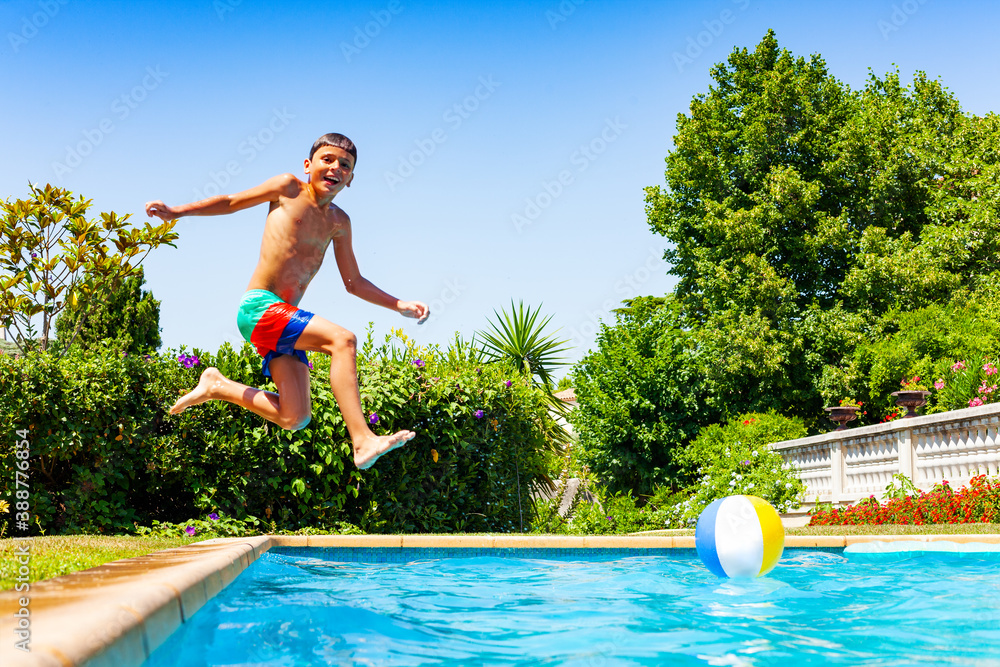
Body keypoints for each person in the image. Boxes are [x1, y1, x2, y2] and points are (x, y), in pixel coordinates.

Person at [145, 133, 428, 469]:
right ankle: (362, 439)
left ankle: (217, 385)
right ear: (308, 165)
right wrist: (177, 211)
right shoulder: (288, 188)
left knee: (295, 417)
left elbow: (354, 283)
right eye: (328, 159)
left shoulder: (340, 223)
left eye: (345, 165)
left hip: (284, 322)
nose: (335, 167)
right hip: (259, 307)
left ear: (350, 179)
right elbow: (232, 201)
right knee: (343, 340)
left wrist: (398, 304)